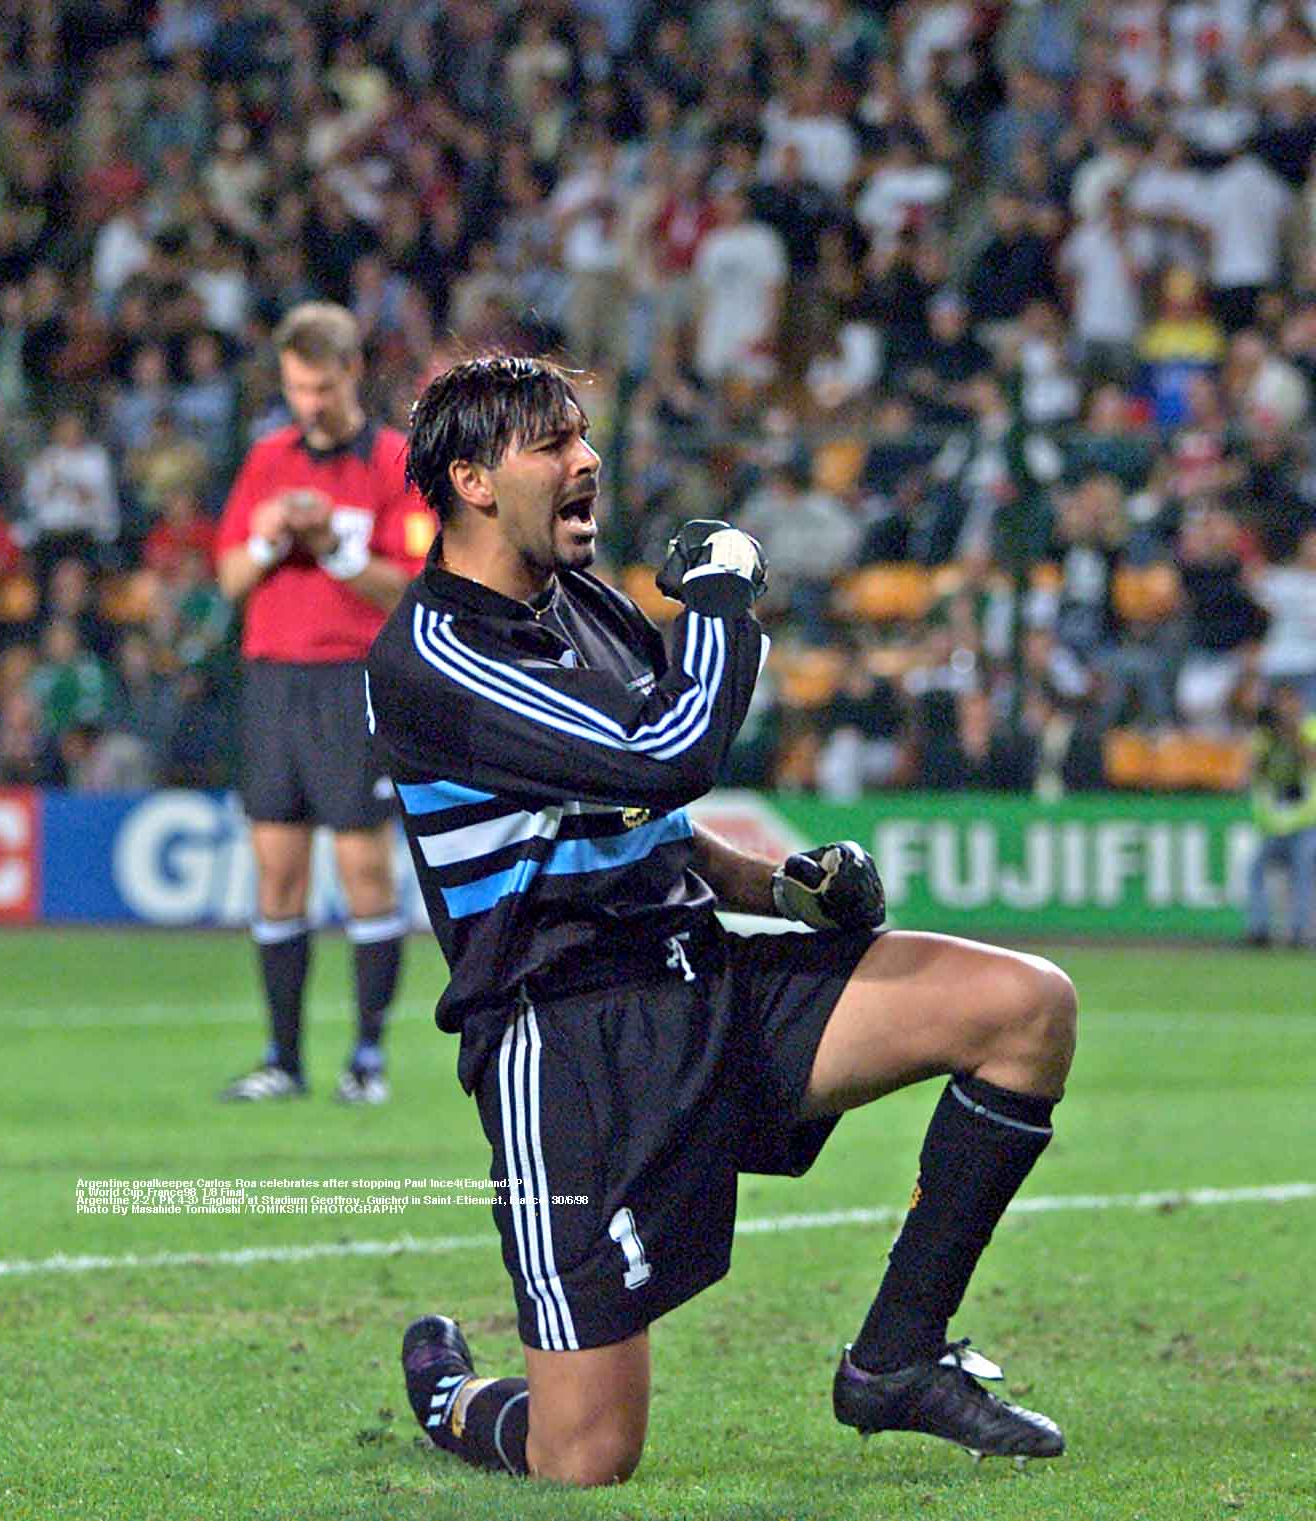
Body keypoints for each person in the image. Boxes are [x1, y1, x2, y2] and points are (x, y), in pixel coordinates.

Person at [366, 356, 1076, 1484]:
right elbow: (666, 757)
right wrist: (719, 599)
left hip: (704, 978)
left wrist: (784, 889)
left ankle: (895, 1360)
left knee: (1023, 1007)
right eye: (551, 444)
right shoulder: (434, 657)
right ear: (472, 480)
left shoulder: (585, 603)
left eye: (582, 436)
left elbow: (652, 826)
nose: (586, 459)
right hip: (572, 1044)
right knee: (584, 1457)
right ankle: (453, 1398)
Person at [211, 301, 438, 1105]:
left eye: (320, 384)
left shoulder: (393, 462)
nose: (308, 402)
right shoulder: (268, 459)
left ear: (350, 373)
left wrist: (333, 547)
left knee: (363, 870)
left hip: (354, 681)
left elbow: (412, 584)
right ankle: (284, 1057)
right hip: (274, 679)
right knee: (276, 875)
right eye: (296, 386)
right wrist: (274, 535)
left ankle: (367, 1058)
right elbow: (232, 577)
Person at [1245, 683, 1316, 947]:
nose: (1286, 709)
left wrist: (1294, 735)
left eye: (1290, 702)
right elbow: (1253, 771)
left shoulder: (1310, 729)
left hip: (1307, 822)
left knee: (1303, 873)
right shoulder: (1264, 737)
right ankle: (1259, 929)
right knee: (1255, 870)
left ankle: (1300, 933)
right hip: (1275, 825)